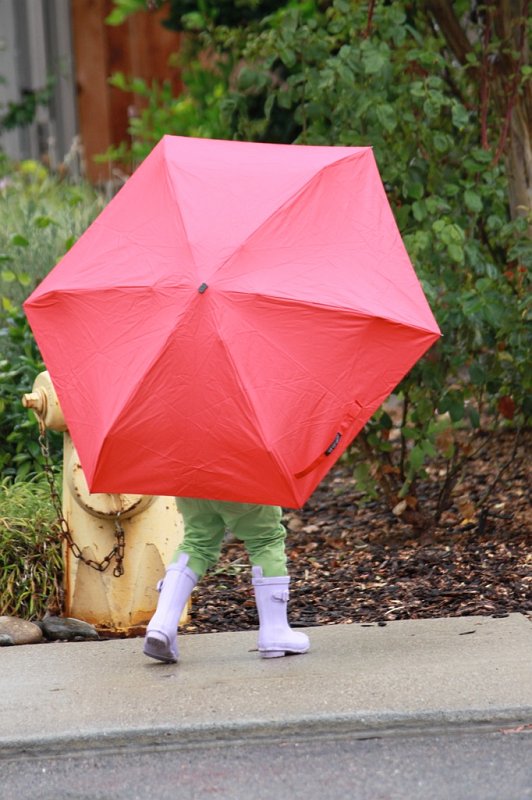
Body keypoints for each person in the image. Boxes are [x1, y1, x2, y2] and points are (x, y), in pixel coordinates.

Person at [143, 498, 310, 663]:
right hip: (241, 480)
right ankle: (276, 632)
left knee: (196, 544)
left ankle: (162, 624)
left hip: (192, 481)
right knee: (265, 540)